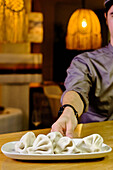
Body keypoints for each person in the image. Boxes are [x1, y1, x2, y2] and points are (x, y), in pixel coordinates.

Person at [51, 0, 113, 138]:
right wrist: (69, 111)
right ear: (106, 19)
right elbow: (76, 89)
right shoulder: (86, 62)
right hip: (98, 146)